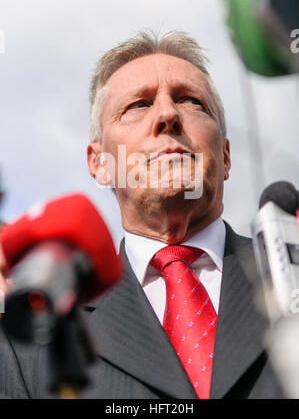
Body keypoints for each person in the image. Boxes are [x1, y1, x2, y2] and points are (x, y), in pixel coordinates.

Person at [0, 30, 285, 399]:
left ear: (225, 157)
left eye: (190, 101)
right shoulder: (32, 327)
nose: (168, 115)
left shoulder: (287, 274)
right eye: (139, 105)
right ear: (100, 163)